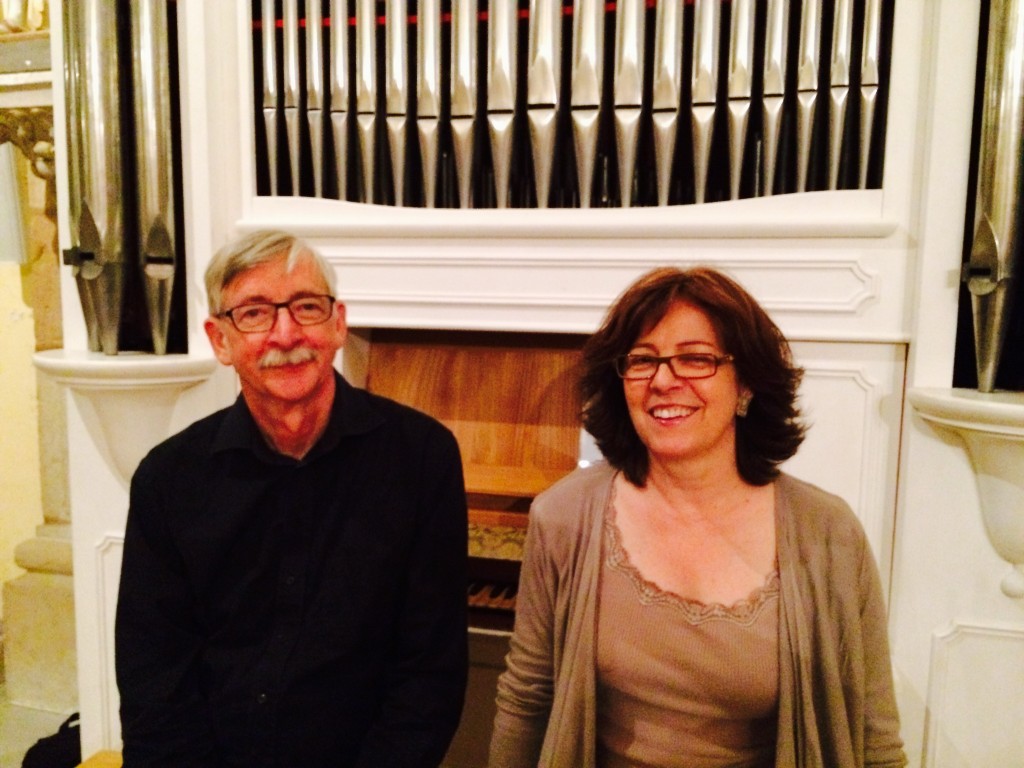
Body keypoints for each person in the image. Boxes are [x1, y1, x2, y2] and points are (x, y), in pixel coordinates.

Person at [489, 266, 905, 768]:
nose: (664, 380)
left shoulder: (829, 533)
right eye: (642, 361)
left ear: (746, 384)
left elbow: (874, 736)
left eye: (696, 359)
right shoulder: (564, 515)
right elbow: (527, 699)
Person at [115, 230, 469, 767]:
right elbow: (154, 679)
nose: (286, 333)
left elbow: (429, 672)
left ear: (337, 324)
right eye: (254, 313)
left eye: (306, 307)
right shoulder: (168, 480)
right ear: (220, 341)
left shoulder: (422, 458)